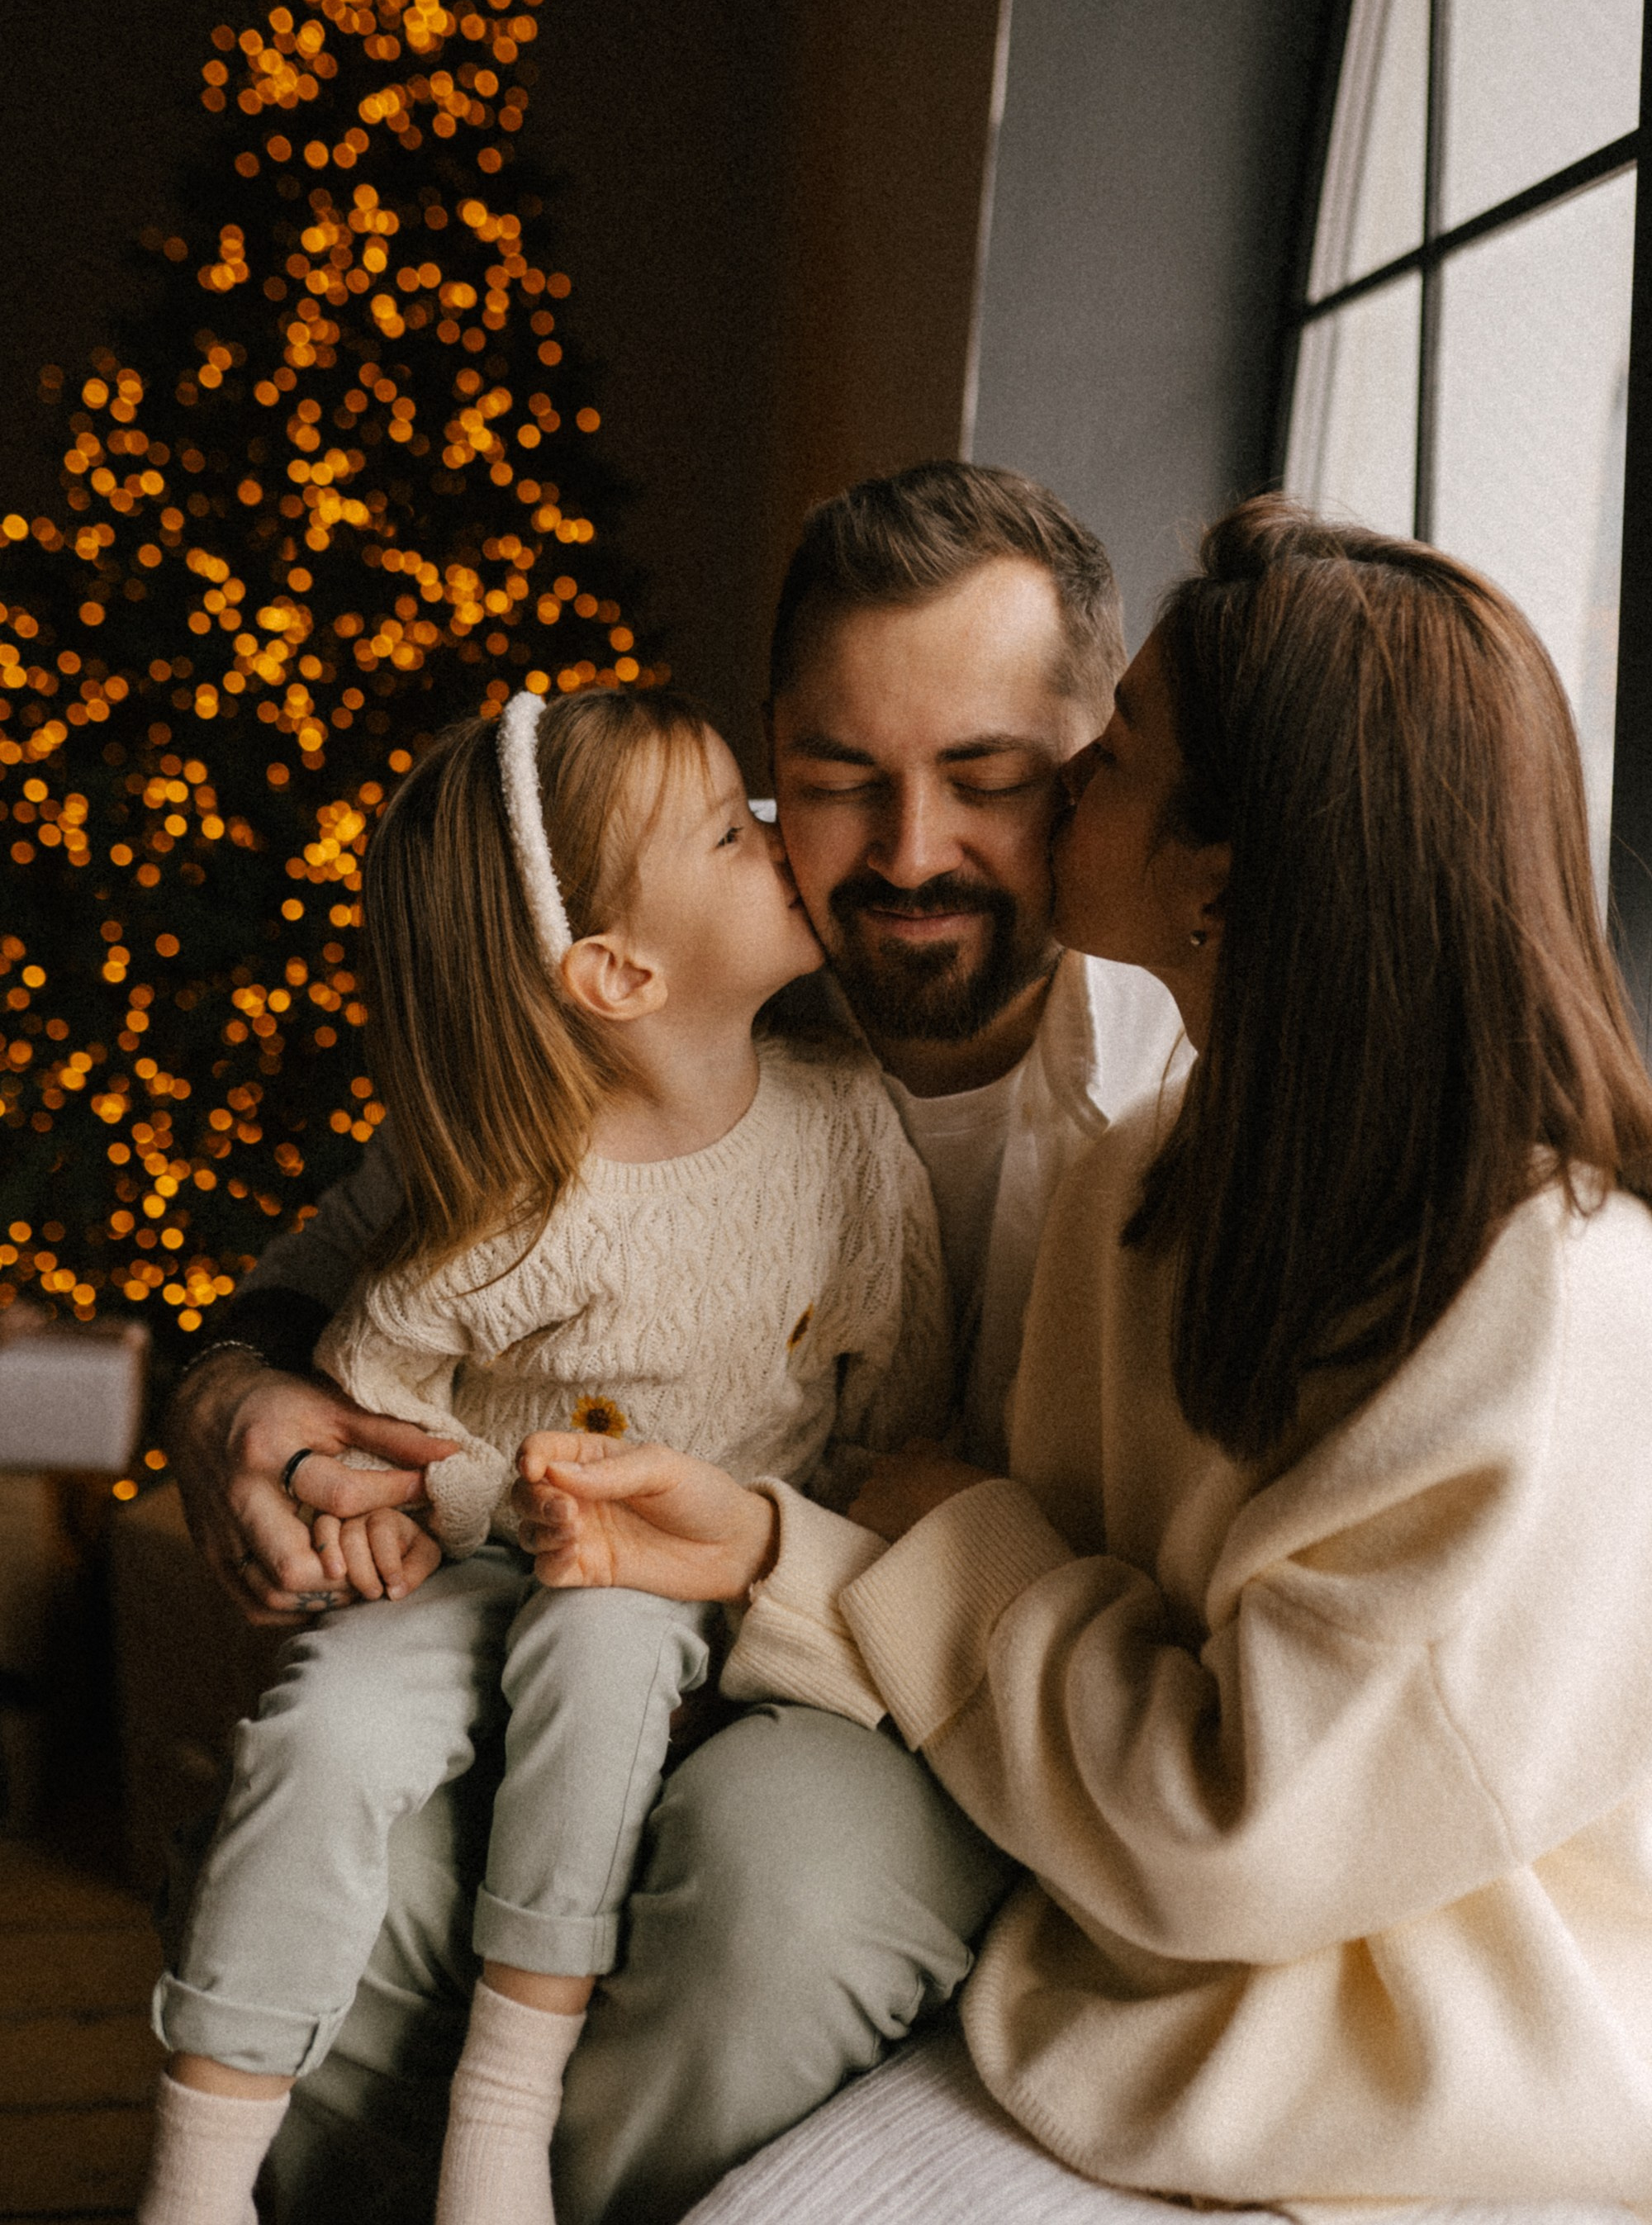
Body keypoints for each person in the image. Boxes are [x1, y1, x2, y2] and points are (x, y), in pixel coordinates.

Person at [523, 499, 1652, 2214]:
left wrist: (930, 1532)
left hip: (1444, 2062)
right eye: (837, 775)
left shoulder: (1555, 1298)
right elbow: (1054, 1601)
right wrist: (782, 1546)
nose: (1049, 808)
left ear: (1218, 870)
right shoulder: (1156, 1181)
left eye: (1095, 758)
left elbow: (1228, 1820)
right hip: (1142, 1961)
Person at [165, 462, 1186, 2223]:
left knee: (772, 1902)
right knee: (359, 1860)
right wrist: (234, 1393)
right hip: (562, 1604)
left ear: (1090, 776)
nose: (908, 851)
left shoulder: (1173, 1095)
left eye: (987, 781)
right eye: (833, 782)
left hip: (908, 1689)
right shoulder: (643, 1043)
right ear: (766, 763)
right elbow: (347, 1264)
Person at [140, 685, 950, 2225]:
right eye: (736, 825)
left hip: (715, 1585)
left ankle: (499, 2129)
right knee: (324, 1732)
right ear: (618, 970)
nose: (784, 839)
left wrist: (775, 1549)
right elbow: (369, 1380)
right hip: (484, 1566)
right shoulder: (514, 1184)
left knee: (603, 1637)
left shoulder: (846, 1131)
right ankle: (194, 2181)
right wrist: (373, 1489)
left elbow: (890, 1404)